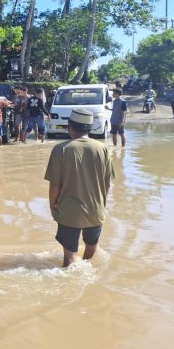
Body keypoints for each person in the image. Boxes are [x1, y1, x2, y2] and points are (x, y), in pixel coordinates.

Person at [44, 109, 114, 267]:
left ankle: (70, 280)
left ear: (70, 127)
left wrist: (53, 207)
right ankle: (86, 270)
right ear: (89, 128)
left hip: (69, 211)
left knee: (69, 257)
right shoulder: (102, 149)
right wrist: (101, 204)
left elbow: (55, 185)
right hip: (96, 210)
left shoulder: (61, 149)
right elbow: (107, 183)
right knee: (91, 247)